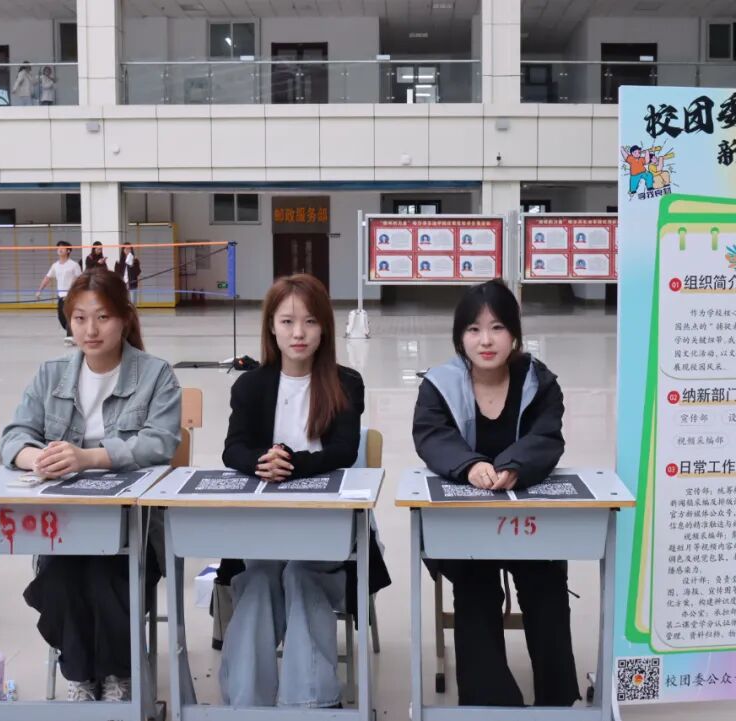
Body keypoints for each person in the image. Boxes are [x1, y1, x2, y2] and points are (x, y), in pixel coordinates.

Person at [3, 268, 181, 702]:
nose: (90, 330)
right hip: (66, 525)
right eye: (79, 318)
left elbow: (160, 443)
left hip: (133, 526)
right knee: (58, 580)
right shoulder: (50, 374)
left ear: (124, 318)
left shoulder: (156, 374)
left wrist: (89, 457)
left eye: (102, 317)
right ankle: (82, 675)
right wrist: (37, 459)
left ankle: (117, 673)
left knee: (107, 576)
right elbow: (14, 436)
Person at [216, 274, 389, 708]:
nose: (299, 333)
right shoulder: (250, 385)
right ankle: (244, 703)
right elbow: (232, 448)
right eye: (287, 321)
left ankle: (311, 704)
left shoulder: (345, 382)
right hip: (265, 527)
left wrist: (289, 463)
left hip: (326, 527)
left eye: (310, 321)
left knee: (300, 573)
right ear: (271, 327)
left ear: (324, 328)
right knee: (258, 579)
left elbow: (344, 450)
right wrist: (261, 461)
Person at [412, 279, 578, 708]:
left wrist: (515, 466)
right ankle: (492, 707)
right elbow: (431, 437)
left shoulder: (540, 382)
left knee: (547, 587)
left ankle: (557, 705)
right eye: (473, 329)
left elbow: (547, 436)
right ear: (460, 336)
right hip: (465, 526)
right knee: (475, 587)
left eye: (497, 327)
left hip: (529, 523)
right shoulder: (439, 385)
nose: (485, 340)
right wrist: (469, 465)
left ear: (515, 334)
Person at [36, 240, 83, 346]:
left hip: (71, 296)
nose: (60, 249)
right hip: (60, 297)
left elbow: (78, 280)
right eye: (58, 248)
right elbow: (47, 278)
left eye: (62, 248)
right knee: (62, 319)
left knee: (69, 316)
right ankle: (75, 333)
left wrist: (71, 292)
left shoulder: (74, 265)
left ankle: (70, 337)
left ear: (68, 251)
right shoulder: (55, 265)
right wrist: (39, 290)